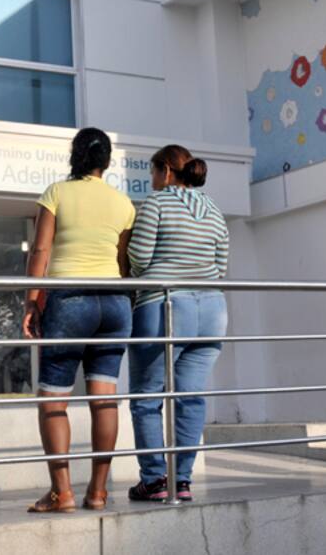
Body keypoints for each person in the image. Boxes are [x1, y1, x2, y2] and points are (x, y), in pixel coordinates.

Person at [22, 127, 136, 513]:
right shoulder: (123, 203)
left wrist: (32, 302)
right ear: (106, 161)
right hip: (115, 303)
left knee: (54, 398)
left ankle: (62, 493)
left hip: (70, 301)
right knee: (104, 398)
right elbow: (122, 261)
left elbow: (41, 250)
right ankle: (98, 493)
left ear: (76, 155)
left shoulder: (57, 192)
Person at [126, 144, 229, 503]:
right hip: (212, 310)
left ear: (166, 171)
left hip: (165, 306)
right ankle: (182, 480)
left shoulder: (155, 204)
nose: (151, 180)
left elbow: (139, 259)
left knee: (146, 397)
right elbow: (221, 265)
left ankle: (155, 480)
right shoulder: (213, 209)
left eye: (153, 173)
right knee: (190, 398)